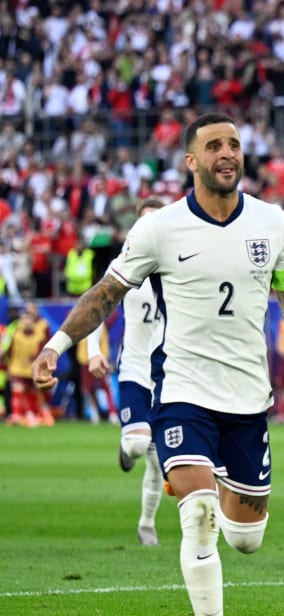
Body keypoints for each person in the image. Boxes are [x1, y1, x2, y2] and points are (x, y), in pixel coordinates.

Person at [31, 112, 284, 616]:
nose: (228, 153)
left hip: (248, 399)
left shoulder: (274, 224)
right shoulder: (160, 228)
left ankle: (224, 486)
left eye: (234, 144)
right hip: (182, 392)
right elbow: (105, 295)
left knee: (246, 539)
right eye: (214, 146)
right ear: (192, 161)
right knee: (198, 514)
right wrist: (57, 346)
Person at [85, 197, 166, 546]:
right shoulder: (124, 267)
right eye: (143, 220)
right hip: (133, 366)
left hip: (168, 374)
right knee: (137, 445)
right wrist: (92, 352)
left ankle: (146, 524)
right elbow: (95, 308)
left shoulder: (181, 268)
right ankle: (126, 445)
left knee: (159, 462)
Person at [3, 302, 53, 427]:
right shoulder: (15, 332)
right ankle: (17, 415)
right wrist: (8, 366)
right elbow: (9, 351)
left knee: (36, 392)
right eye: (24, 319)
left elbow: (45, 349)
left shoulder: (41, 331)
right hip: (17, 367)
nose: (26, 322)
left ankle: (39, 414)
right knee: (18, 389)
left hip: (34, 368)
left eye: (28, 319)